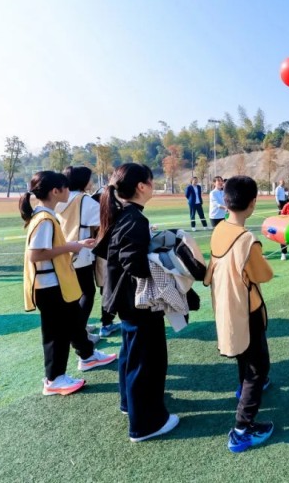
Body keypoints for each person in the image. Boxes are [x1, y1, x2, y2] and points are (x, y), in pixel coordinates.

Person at [93, 163, 179, 443]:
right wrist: (160, 264)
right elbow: (133, 262)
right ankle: (146, 424)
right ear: (141, 186)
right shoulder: (134, 218)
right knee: (147, 359)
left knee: (132, 354)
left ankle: (130, 404)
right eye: (152, 181)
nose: (154, 185)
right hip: (137, 301)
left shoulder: (124, 214)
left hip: (123, 298)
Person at [20, 171, 117, 397]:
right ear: (56, 191)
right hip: (49, 286)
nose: (68, 191)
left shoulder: (46, 215)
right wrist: (74, 246)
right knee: (57, 333)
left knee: (73, 321)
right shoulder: (45, 219)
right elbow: (35, 254)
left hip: (57, 283)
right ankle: (54, 379)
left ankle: (87, 355)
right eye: (65, 188)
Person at [204, 175, 274, 453]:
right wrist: (260, 255)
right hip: (247, 311)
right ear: (253, 203)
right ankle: (242, 429)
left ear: (226, 201)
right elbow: (263, 274)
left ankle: (242, 390)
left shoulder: (220, 228)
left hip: (226, 308)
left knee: (245, 359)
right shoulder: (247, 239)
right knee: (258, 369)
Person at [56, 166, 120, 341]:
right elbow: (105, 224)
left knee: (74, 294)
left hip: (63, 249)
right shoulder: (85, 201)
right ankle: (79, 334)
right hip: (81, 252)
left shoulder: (60, 199)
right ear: (83, 181)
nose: (92, 183)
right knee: (87, 293)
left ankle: (79, 326)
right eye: (90, 179)